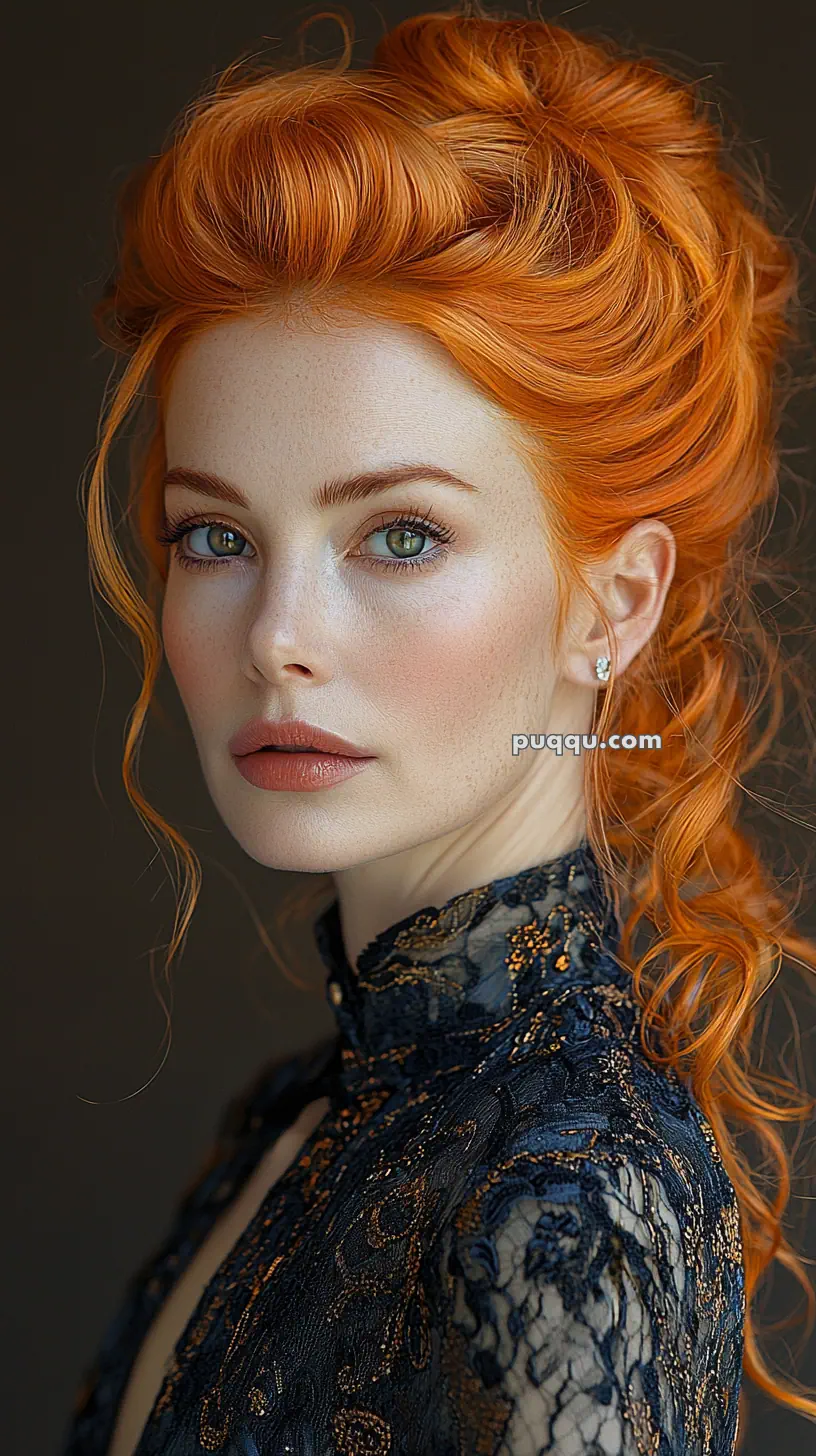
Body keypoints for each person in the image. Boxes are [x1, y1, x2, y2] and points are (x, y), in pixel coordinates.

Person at [61, 4, 816, 1453]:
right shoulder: (301, 1116)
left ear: (614, 603)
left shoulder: (561, 1201)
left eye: (398, 537)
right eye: (215, 536)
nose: (278, 633)